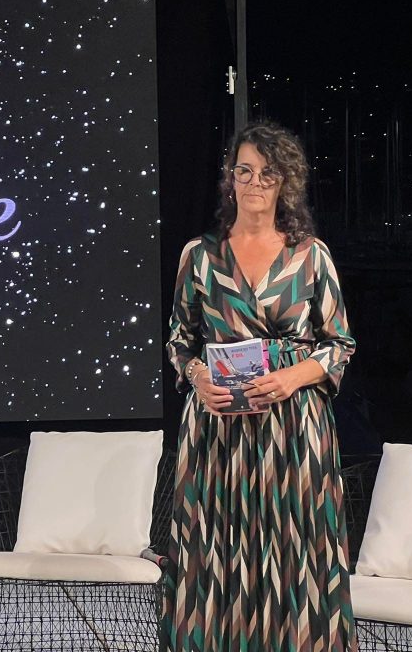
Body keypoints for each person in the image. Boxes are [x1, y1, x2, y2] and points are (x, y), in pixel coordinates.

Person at [162, 121, 357, 651]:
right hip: (218, 430)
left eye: (267, 173)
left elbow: (339, 343)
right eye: (243, 171)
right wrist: (198, 377)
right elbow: (179, 341)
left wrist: (293, 376)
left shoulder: (310, 255)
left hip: (293, 429)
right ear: (230, 177)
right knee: (215, 550)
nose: (253, 182)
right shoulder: (199, 256)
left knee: (297, 548)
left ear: (284, 182)